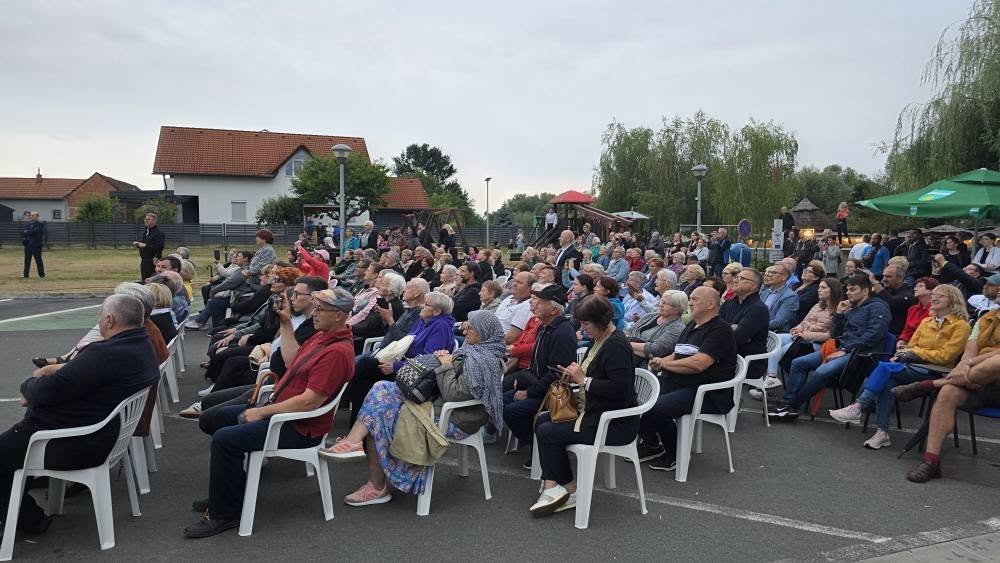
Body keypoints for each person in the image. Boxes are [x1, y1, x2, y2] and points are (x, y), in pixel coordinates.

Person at [184, 288, 355, 538]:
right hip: (282, 413)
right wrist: (286, 323)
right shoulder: (323, 336)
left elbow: (310, 402)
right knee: (213, 418)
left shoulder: (337, 352)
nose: (314, 313)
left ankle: (225, 513)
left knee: (225, 439)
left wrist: (262, 412)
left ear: (339, 315)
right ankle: (231, 489)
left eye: (320, 309)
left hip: (299, 427)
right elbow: (291, 361)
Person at [3, 295, 159, 534]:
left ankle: (28, 520)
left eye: (100, 317)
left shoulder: (105, 354)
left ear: (109, 320)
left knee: (4, 455)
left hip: (75, 441)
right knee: (11, 452)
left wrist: (30, 384)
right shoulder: (141, 345)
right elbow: (73, 377)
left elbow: (48, 390)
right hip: (104, 433)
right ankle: (24, 514)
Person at [323, 310, 505, 508]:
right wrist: (441, 362)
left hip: (455, 418)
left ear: (484, 332)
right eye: (465, 325)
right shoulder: (471, 351)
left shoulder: (486, 361)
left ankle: (376, 486)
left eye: (470, 327)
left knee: (378, 415)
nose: (464, 329)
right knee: (381, 388)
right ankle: (353, 443)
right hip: (436, 405)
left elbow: (454, 394)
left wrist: (445, 365)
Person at [529, 295, 637, 515]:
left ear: (601, 321)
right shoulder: (600, 340)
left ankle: (569, 490)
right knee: (542, 420)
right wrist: (573, 375)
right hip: (593, 412)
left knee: (548, 431)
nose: (583, 329)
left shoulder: (616, 345)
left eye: (586, 324)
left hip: (614, 423)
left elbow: (621, 389)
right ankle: (554, 485)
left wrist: (583, 380)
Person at [830, 284, 971, 448]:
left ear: (953, 300)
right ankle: (882, 433)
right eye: (933, 294)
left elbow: (946, 356)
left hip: (937, 371)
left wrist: (915, 353)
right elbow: (910, 346)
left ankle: (858, 407)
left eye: (940, 295)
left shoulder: (961, 326)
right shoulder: (926, 321)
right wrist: (904, 354)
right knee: (887, 382)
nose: (934, 297)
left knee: (884, 368)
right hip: (911, 365)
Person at [891, 297, 1000, 482]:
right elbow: (968, 354)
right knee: (949, 392)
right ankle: (931, 461)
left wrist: (970, 364)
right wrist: (965, 366)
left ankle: (929, 385)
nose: (996, 290)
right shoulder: (985, 319)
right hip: (976, 383)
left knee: (998, 361)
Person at [639, 286, 738, 471]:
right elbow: (678, 354)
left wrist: (665, 365)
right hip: (679, 382)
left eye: (694, 299)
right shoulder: (693, 325)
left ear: (710, 304)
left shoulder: (720, 330)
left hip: (706, 392)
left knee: (655, 408)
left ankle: (674, 454)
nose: (690, 303)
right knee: (638, 399)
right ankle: (652, 444)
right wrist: (662, 361)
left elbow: (699, 364)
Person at [769, 275, 890, 420]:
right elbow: (834, 334)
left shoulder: (878, 307)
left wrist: (845, 350)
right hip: (840, 349)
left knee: (821, 372)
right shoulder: (851, 308)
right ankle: (788, 402)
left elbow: (875, 334)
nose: (848, 293)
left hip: (861, 354)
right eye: (847, 290)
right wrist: (839, 314)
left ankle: (791, 404)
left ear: (865, 291)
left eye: (853, 290)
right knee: (798, 363)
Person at [502, 284, 577, 463]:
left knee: (512, 411)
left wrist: (528, 393)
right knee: (501, 399)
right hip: (536, 384)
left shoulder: (561, 334)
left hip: (550, 394)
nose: (534, 304)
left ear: (553, 309)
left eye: (541, 302)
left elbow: (556, 374)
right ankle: (536, 445)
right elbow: (536, 365)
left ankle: (539, 448)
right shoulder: (545, 327)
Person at [756, 277, 843, 397]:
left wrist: (805, 335)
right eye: (819, 287)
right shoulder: (818, 305)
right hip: (801, 337)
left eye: (823, 288)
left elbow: (830, 335)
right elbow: (804, 321)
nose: (819, 290)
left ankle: (769, 380)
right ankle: (770, 378)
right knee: (774, 340)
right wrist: (797, 329)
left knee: (781, 350)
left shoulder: (839, 310)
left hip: (817, 344)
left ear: (833, 290)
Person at [626, 290, 687, 368]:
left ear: (677, 309)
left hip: (643, 366)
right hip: (627, 354)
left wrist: (625, 343)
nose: (661, 305)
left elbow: (655, 350)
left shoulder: (677, 328)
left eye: (665, 303)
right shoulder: (651, 316)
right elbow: (630, 329)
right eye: (661, 301)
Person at [871, 264, 914, 336]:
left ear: (900, 279)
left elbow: (891, 302)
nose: (884, 279)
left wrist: (875, 283)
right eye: (884, 276)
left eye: (888, 276)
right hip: (880, 329)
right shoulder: (887, 289)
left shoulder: (908, 293)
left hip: (896, 334)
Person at [759, 264, 799, 332]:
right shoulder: (765, 292)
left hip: (774, 333)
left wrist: (756, 326)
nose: (769, 275)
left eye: (774, 273)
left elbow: (779, 322)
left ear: (784, 277)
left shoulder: (790, 296)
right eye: (769, 272)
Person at [133, 212, 165, 280]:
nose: (146, 221)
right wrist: (138, 244)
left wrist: (145, 245)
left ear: (154, 221)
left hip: (153, 261)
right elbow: (145, 243)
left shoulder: (159, 233)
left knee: (153, 281)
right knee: (144, 281)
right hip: (144, 261)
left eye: (148, 219)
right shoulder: (145, 232)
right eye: (145, 219)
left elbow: (159, 247)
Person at [21, 211, 45, 279]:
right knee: (27, 261)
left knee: (38, 260)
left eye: (33, 215)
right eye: (31, 215)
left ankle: (42, 275)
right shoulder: (28, 224)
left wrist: (27, 232)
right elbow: (23, 233)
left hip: (36, 245)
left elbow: (35, 231)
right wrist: (27, 232)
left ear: (37, 216)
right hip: (28, 244)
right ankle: (25, 275)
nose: (31, 216)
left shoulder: (40, 224)